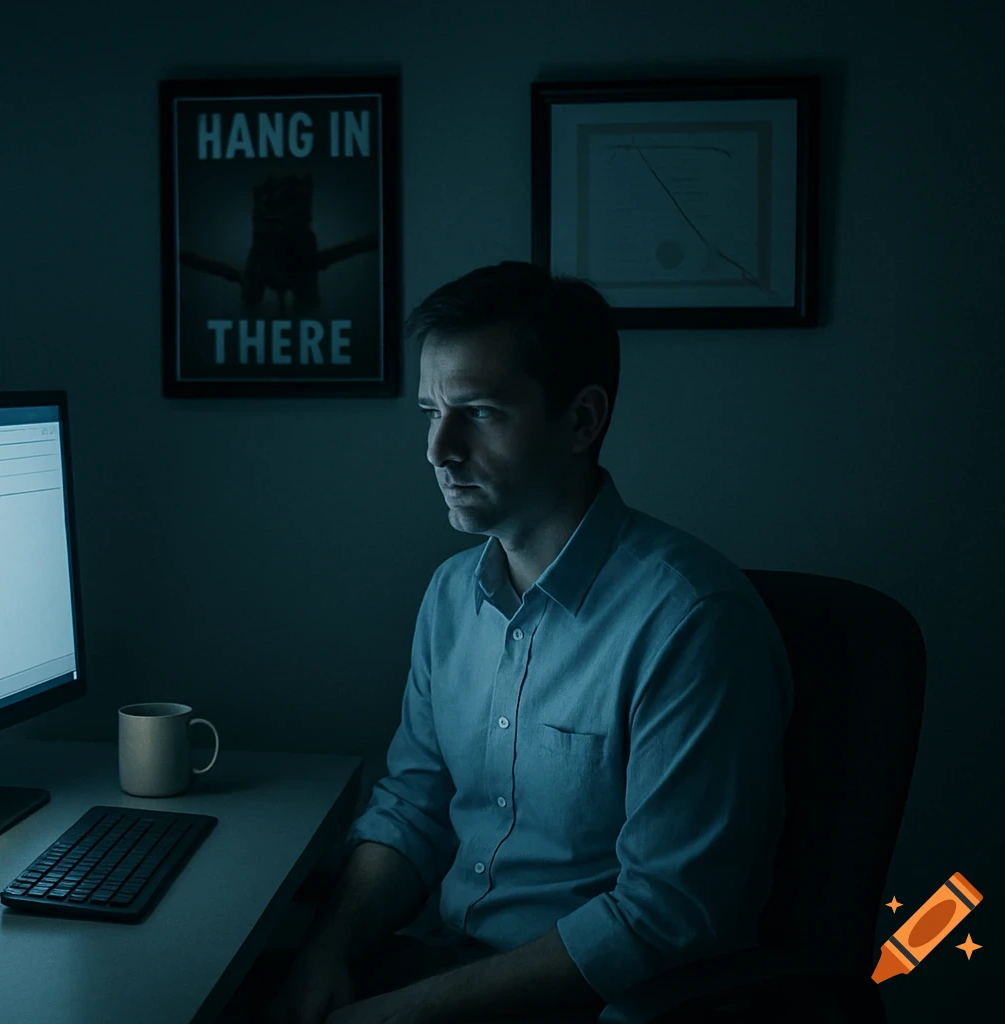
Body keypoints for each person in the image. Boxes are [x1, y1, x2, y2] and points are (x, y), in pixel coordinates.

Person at [232, 261, 794, 1024]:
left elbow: (664, 914)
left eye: (479, 412)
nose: (438, 449)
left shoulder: (691, 621)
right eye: (430, 411)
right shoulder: (450, 596)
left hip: (592, 1006)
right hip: (445, 960)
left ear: (582, 420)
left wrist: (397, 1016)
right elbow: (414, 810)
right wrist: (324, 954)